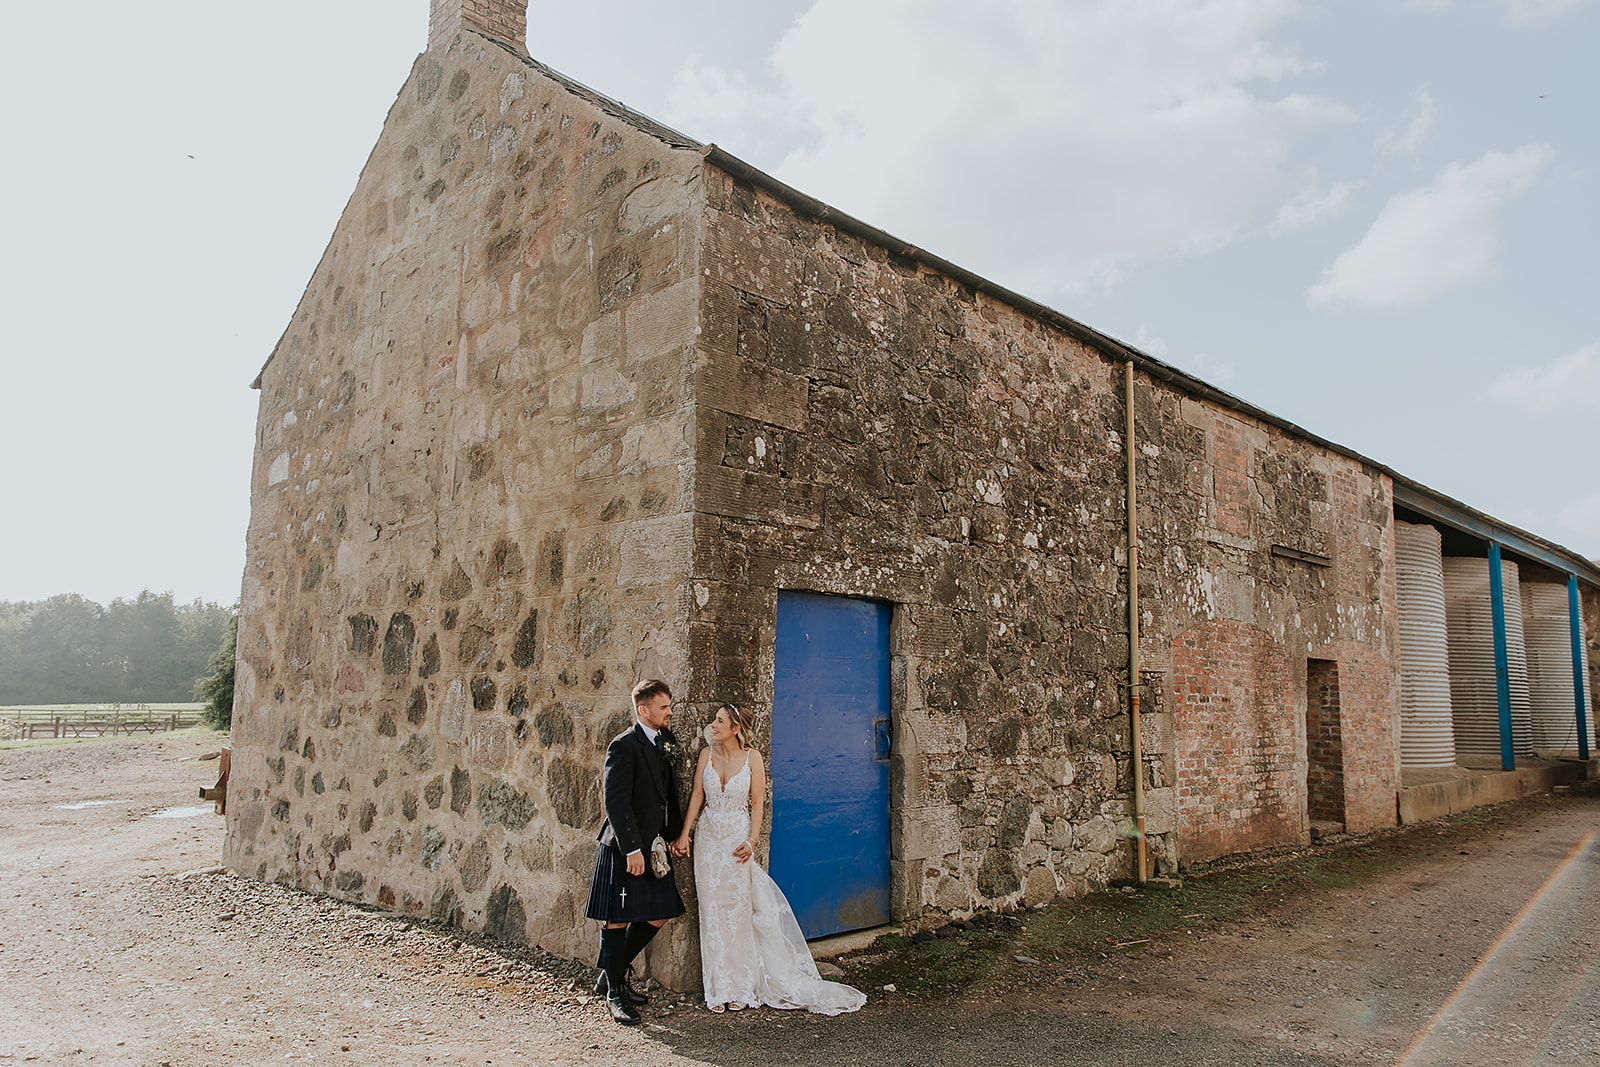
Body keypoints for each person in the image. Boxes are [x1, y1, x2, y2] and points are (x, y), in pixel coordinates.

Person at [671, 703, 866, 1015]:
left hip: (737, 840)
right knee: (712, 912)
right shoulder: (707, 754)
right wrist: (684, 834)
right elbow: (697, 795)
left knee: (737, 914)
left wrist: (751, 840)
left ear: (735, 728)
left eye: (720, 721)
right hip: (708, 841)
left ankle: (741, 987)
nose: (713, 724)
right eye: (715, 720)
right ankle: (718, 988)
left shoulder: (753, 759)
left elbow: (758, 803)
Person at [585, 679, 684, 1025]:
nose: (669, 712)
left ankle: (611, 970)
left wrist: (674, 835)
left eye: (669, 706)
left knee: (659, 913)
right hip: (626, 847)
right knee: (619, 917)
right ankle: (615, 992)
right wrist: (631, 850)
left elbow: (670, 792)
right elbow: (615, 802)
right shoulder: (623, 745)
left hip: (655, 845)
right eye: (663, 707)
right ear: (643, 710)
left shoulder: (666, 741)